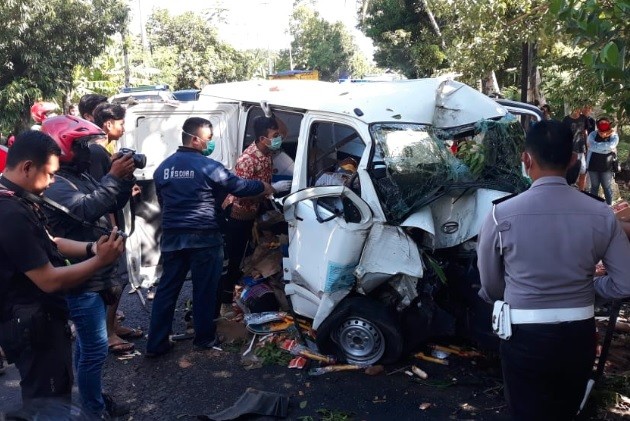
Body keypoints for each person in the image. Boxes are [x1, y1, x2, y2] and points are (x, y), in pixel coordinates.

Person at [477, 120, 630, 420]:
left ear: (526, 159)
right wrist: (591, 289)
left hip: (522, 334)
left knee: (525, 411)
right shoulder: (600, 213)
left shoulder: (500, 214)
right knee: (567, 411)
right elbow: (625, 283)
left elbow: (491, 286)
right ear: (573, 160)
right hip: (579, 335)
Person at [0, 130, 123, 411]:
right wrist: (99, 262)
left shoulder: (19, 199)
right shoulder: (9, 212)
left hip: (42, 322)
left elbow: (51, 241)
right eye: (51, 173)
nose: (53, 181)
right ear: (27, 167)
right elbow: (48, 280)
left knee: (56, 392)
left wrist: (92, 248)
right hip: (30, 326)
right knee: (47, 402)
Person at [146, 117, 273, 357]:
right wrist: (262, 187)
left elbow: (163, 203)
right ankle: (203, 339)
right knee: (204, 289)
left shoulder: (163, 168)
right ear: (195, 139)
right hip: (204, 237)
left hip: (173, 237)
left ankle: (156, 343)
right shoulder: (208, 166)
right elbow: (238, 187)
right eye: (208, 139)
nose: (210, 143)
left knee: (167, 290)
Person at [41, 115, 135, 418]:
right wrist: (112, 177)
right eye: (81, 145)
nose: (87, 151)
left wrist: (123, 178)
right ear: (63, 147)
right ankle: (94, 410)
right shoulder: (55, 184)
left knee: (87, 346)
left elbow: (109, 203)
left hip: (95, 270)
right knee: (94, 350)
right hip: (79, 276)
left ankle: (93, 401)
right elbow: (86, 208)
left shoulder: (80, 175)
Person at [220, 115, 291, 317]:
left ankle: (251, 284)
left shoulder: (268, 150)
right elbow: (241, 191)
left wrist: (271, 112)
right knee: (234, 260)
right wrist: (270, 189)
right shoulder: (247, 160)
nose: (279, 138)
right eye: (274, 135)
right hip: (238, 214)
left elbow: (284, 132)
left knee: (269, 240)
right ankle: (224, 303)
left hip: (255, 209)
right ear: (262, 138)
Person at [91, 103, 143, 354]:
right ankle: (108, 333)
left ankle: (111, 327)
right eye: (121, 123)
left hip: (112, 226)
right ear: (108, 124)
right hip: (108, 229)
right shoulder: (98, 152)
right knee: (114, 281)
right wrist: (113, 229)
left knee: (117, 281)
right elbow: (104, 194)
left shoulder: (105, 151)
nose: (123, 128)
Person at [586, 117, 619, 205]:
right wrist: (606, 149)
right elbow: (590, 146)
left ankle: (609, 207)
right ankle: (593, 207)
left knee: (607, 187)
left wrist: (597, 147)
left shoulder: (613, 135)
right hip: (593, 165)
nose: (603, 124)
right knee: (594, 187)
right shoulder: (592, 134)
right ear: (597, 124)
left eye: (605, 123)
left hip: (607, 167)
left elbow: (612, 145)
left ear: (609, 124)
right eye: (601, 123)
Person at [562, 107, 588, 190]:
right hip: (569, 149)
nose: (578, 109)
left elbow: (585, 132)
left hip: (581, 148)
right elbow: (563, 134)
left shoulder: (584, 118)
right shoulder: (566, 119)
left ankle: (581, 191)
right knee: (568, 170)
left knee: (583, 170)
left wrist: (587, 146)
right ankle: (566, 189)